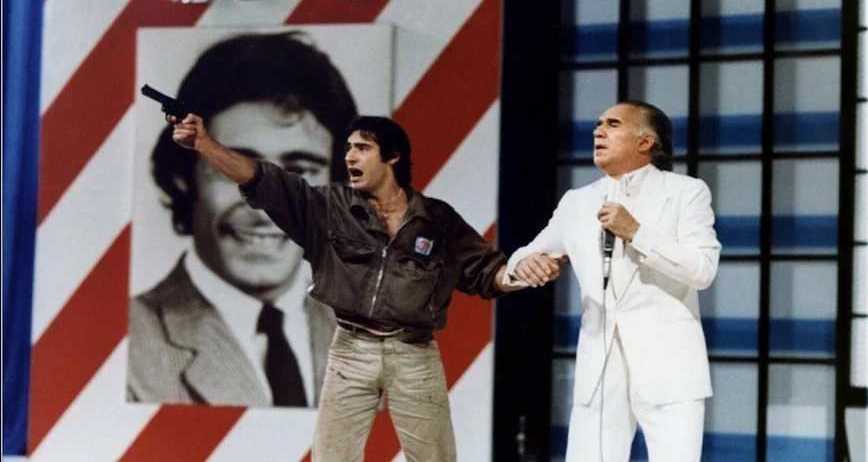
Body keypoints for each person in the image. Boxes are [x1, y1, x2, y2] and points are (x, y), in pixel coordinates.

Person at [166, 110, 554, 460]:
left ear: (393, 157)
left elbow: (487, 273)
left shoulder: (437, 220)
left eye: (362, 148)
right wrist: (204, 143)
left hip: (414, 354)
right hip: (351, 351)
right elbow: (261, 180)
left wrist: (525, 272)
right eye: (348, 148)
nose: (350, 157)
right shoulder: (328, 207)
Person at [128, 31, 358, 408]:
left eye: (300, 171)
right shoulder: (126, 345)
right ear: (184, 177)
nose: (265, 207)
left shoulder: (368, 330)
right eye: (232, 168)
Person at [505, 101, 721, 462]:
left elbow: (702, 270)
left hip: (669, 364)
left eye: (613, 124)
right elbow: (524, 255)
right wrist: (525, 264)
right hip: (600, 365)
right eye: (598, 124)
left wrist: (636, 232)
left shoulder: (685, 192)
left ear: (645, 141)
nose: (598, 131)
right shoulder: (578, 201)